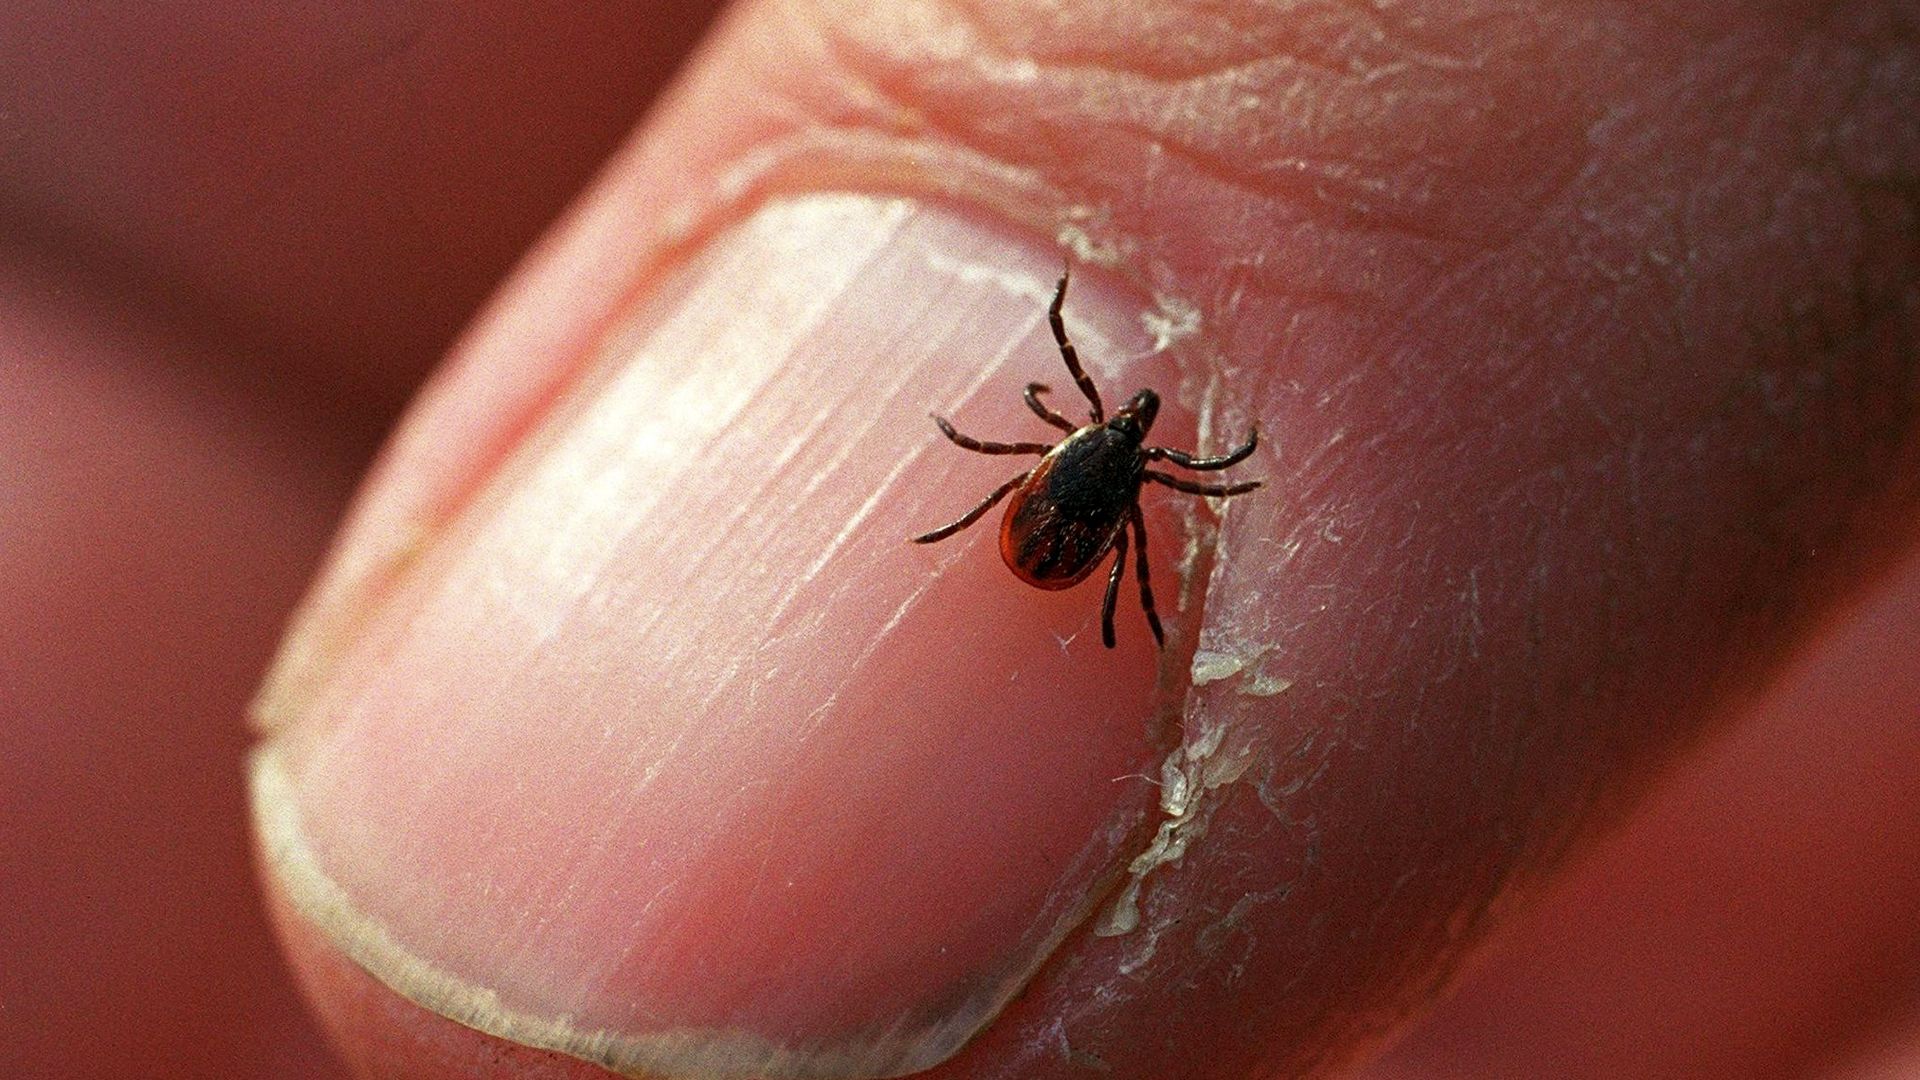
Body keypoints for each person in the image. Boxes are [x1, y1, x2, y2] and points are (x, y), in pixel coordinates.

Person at [7, 2, 1918, 1077]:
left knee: (1057, 532)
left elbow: (1064, 452)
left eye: (1133, 440)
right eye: (1129, 436)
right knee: (1104, 566)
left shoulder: (1086, 454)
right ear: (1107, 444)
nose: (1130, 445)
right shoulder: (1122, 472)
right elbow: (1120, 471)